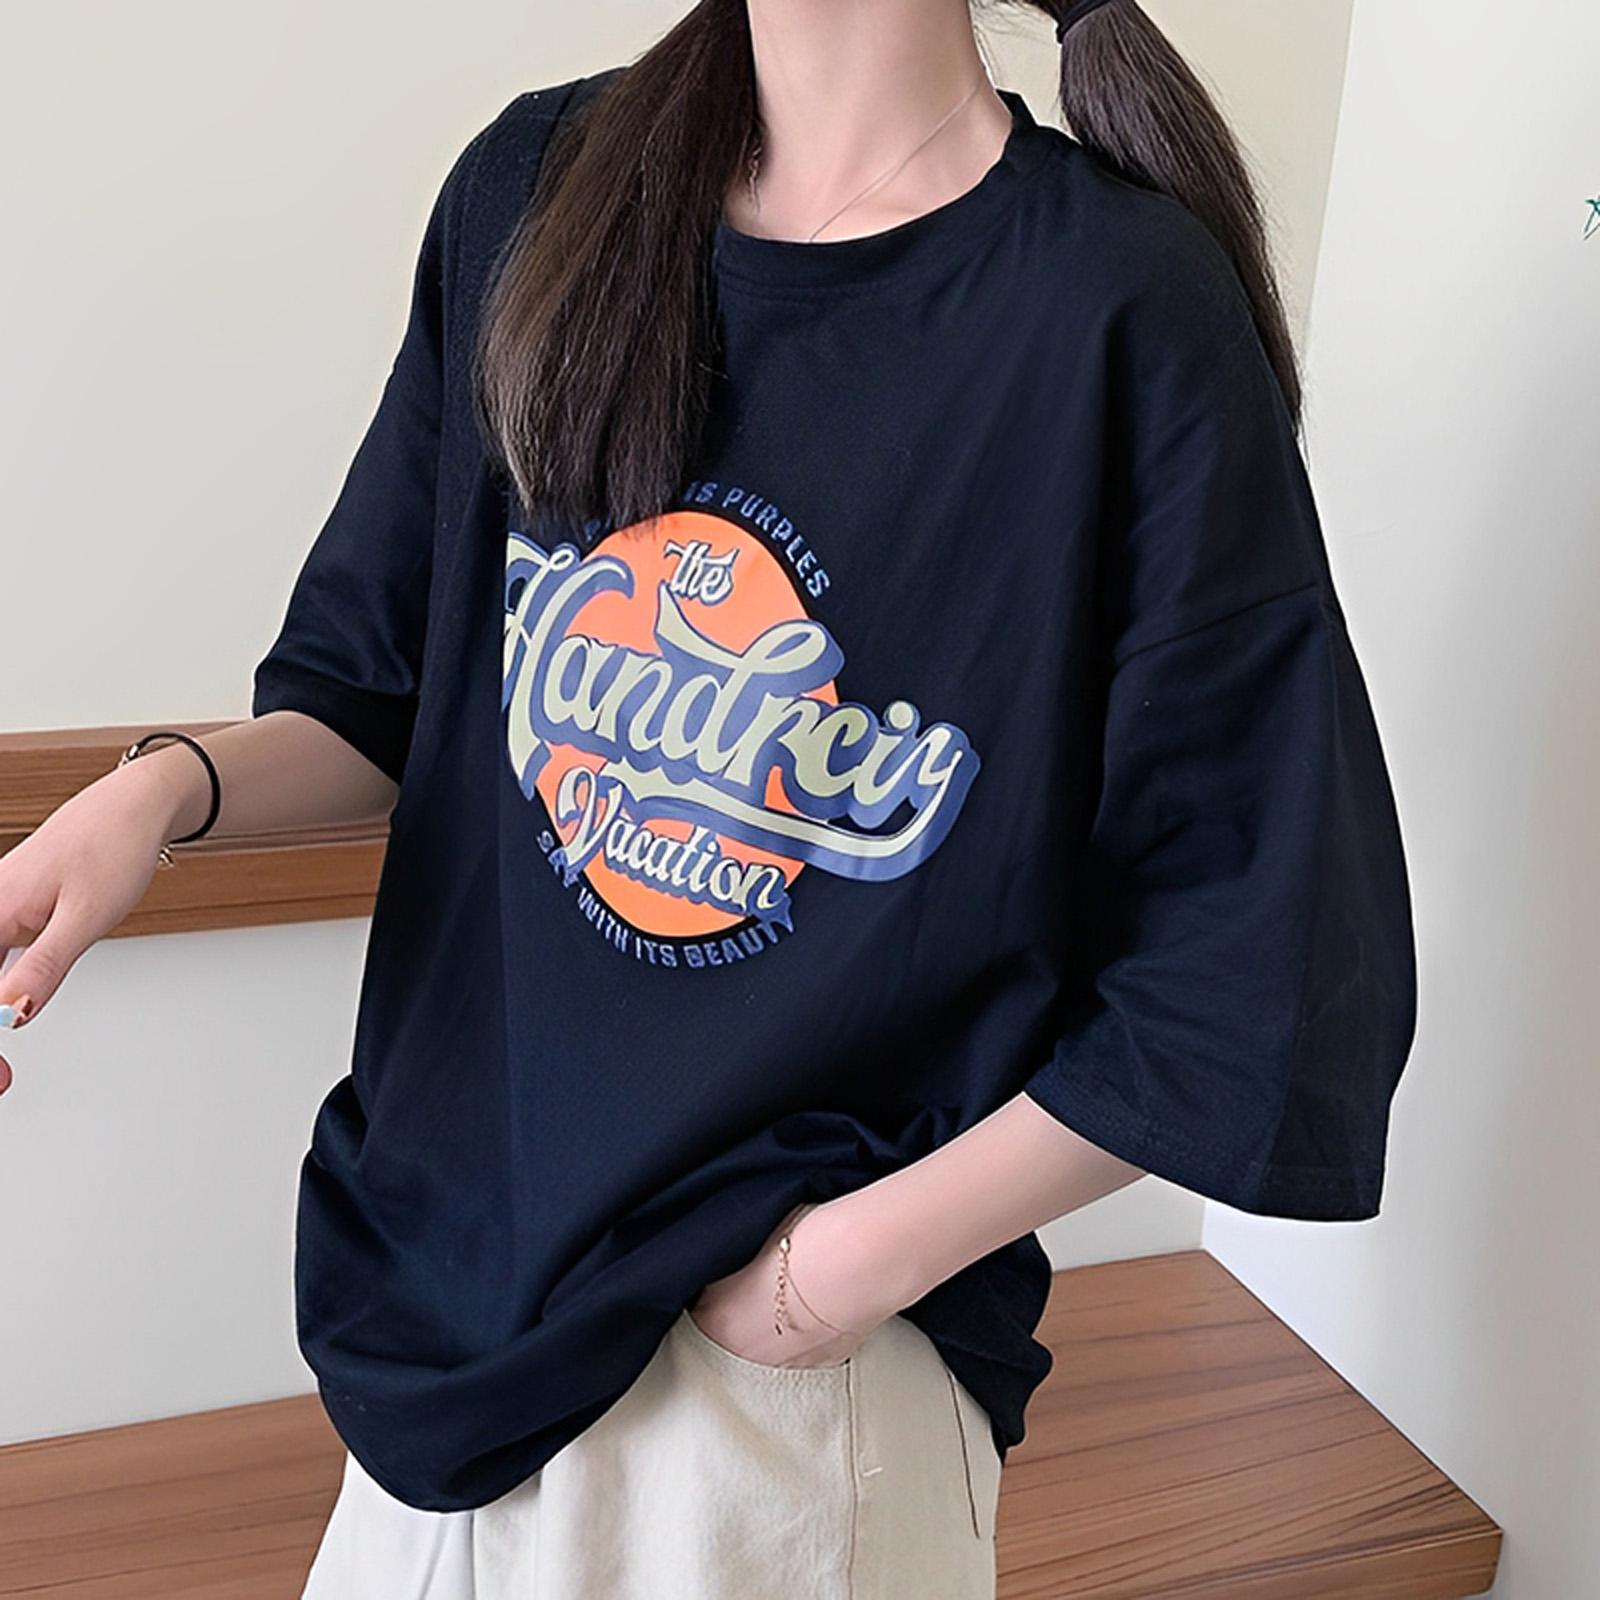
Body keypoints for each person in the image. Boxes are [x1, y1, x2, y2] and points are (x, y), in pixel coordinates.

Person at [0, 0, 1417, 1595]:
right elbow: (379, 687)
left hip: (784, 1427)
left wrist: (829, 1282)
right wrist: (153, 801)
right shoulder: (533, 190)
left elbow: (1257, 975)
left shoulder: (1119, 306)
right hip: (434, 1337)